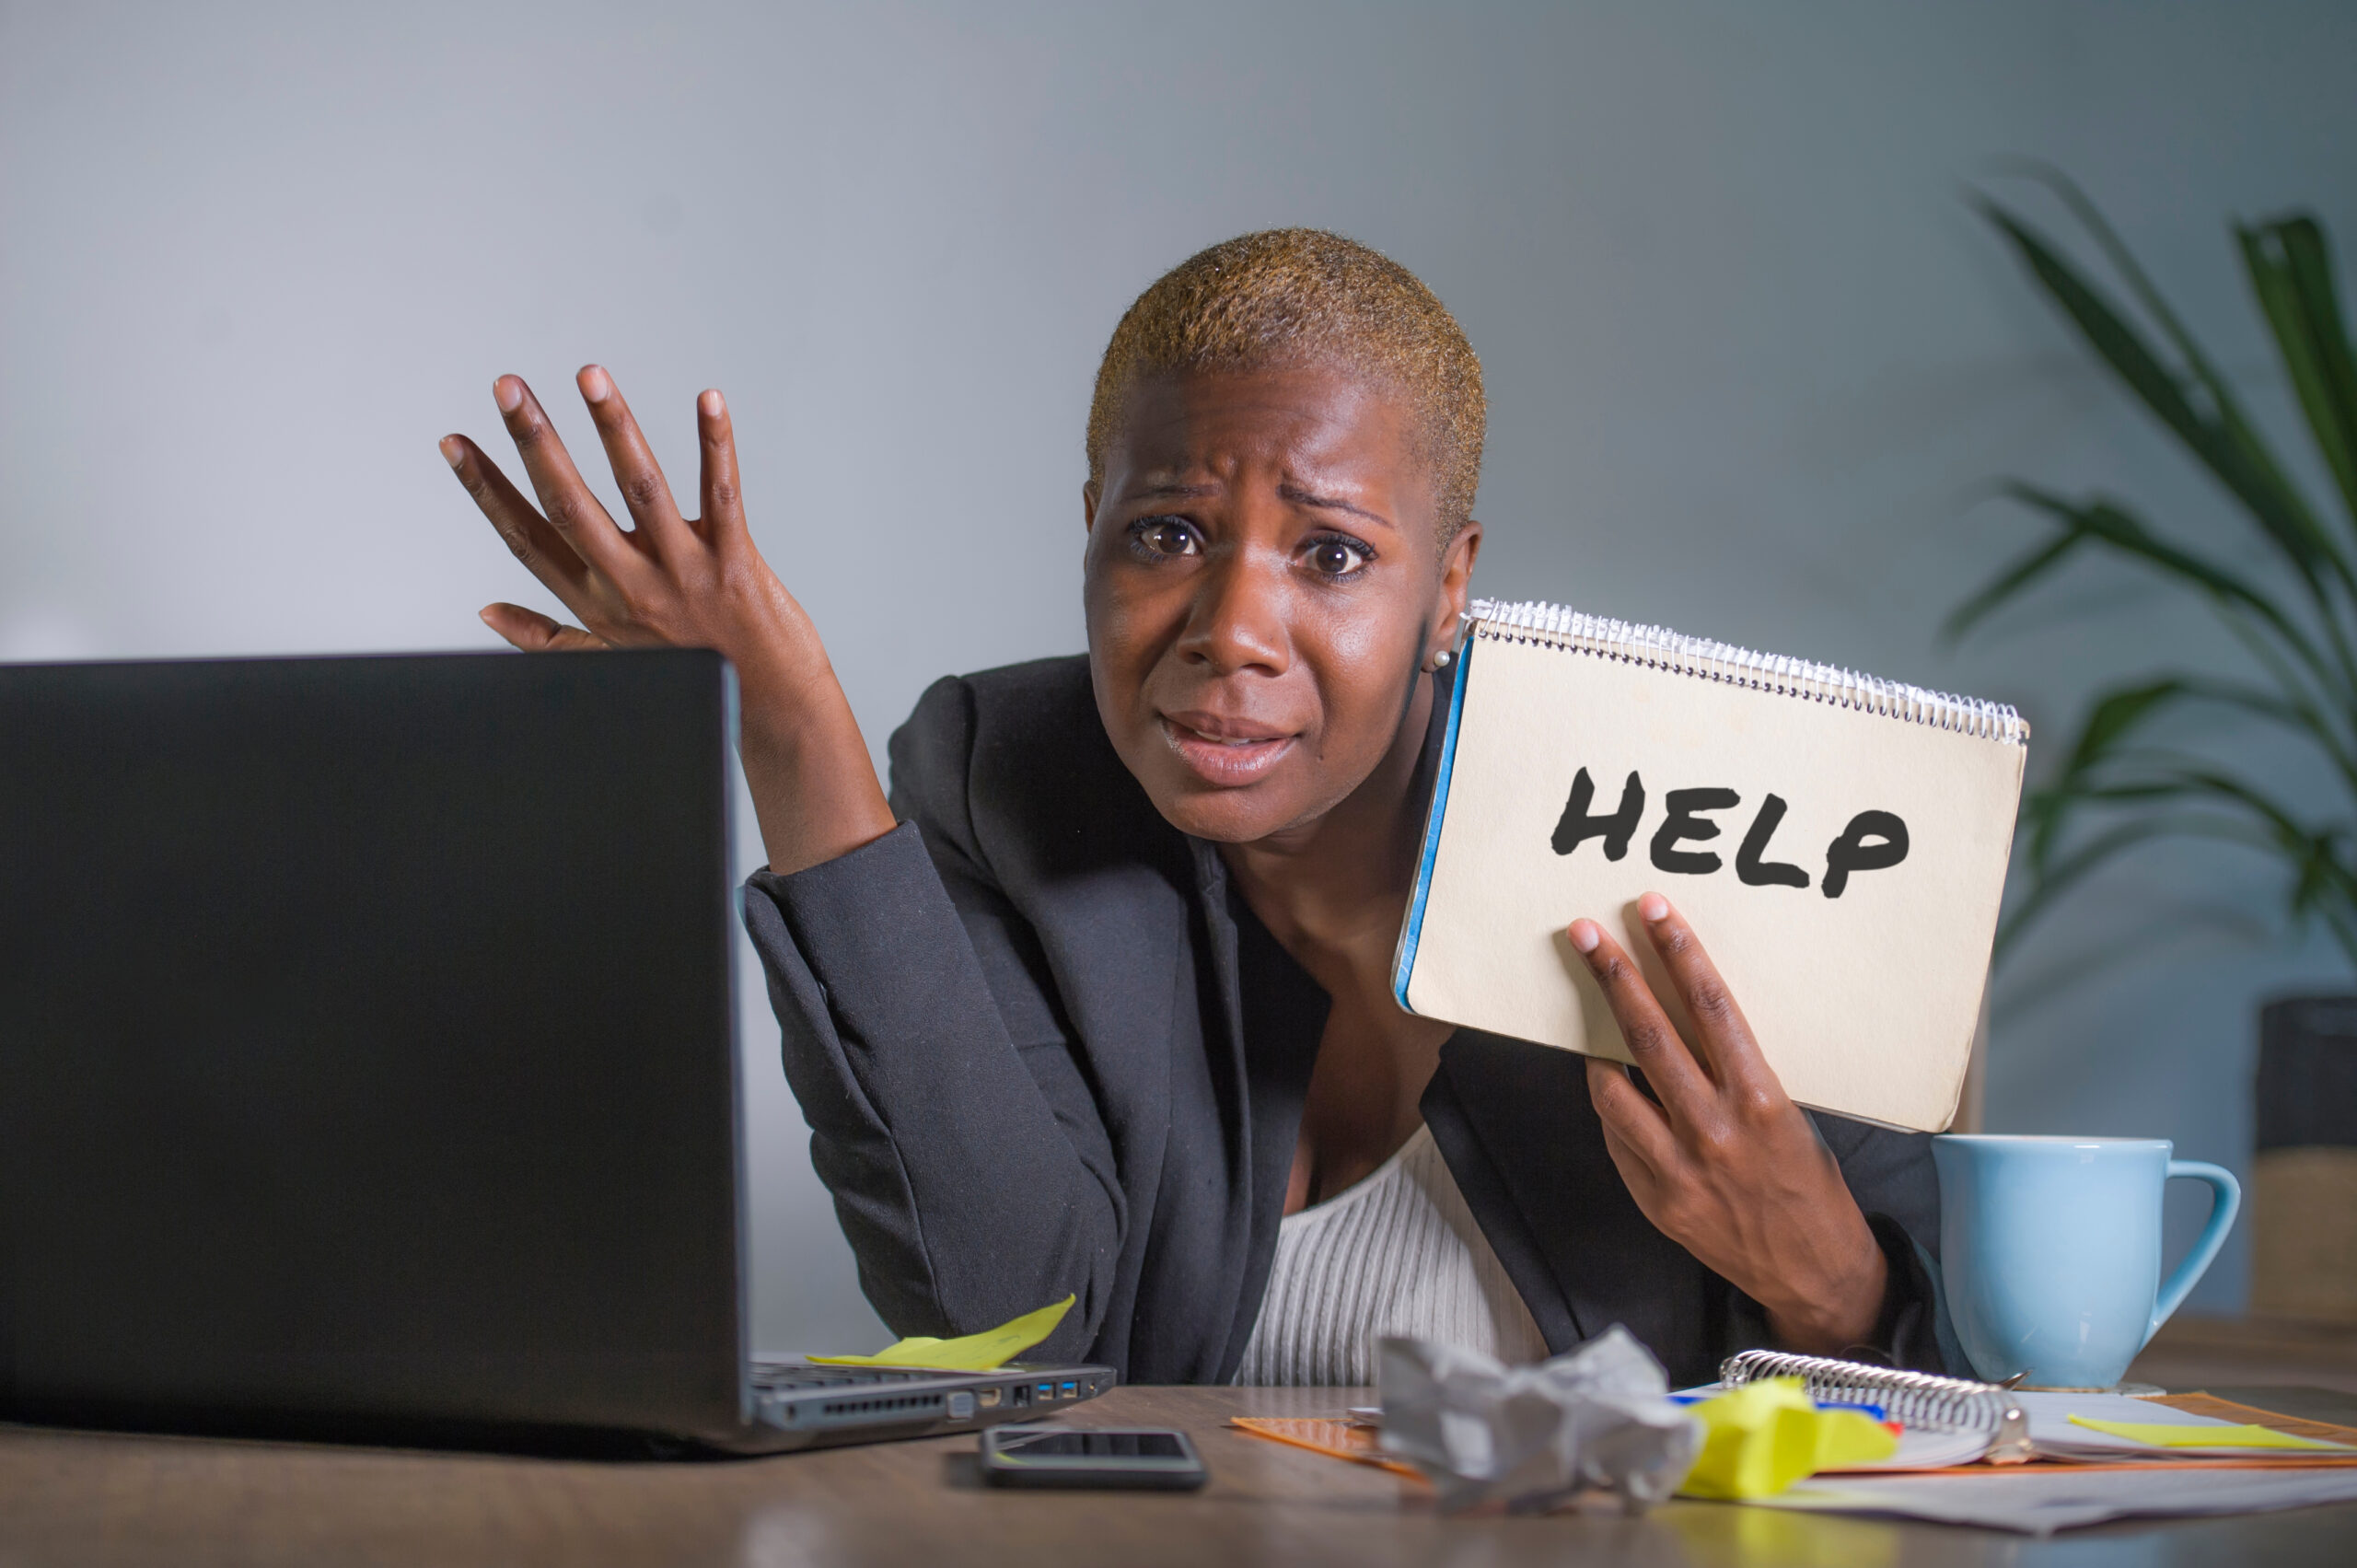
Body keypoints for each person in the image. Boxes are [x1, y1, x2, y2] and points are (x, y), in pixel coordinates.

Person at [437, 229, 1947, 1388]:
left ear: (1454, 586)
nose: (1232, 625)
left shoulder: (1695, 819)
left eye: (1334, 554)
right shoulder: (1003, 776)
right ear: (1087, 527)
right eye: (1168, 529)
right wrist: (793, 743)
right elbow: (1015, 1329)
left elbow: (1979, 1422)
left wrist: (1826, 1284)